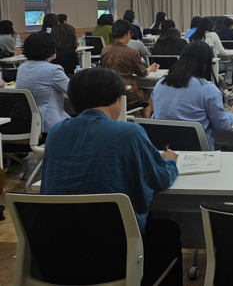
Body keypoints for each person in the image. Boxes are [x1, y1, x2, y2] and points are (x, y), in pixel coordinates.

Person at [40, 67, 182, 286]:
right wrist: (170, 161)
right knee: (169, 230)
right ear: (117, 99)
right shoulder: (129, 133)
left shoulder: (56, 133)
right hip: (115, 255)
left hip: (58, 253)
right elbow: (160, 178)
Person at [152, 41, 233, 150]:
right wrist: (231, 113)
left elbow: (156, 117)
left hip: (164, 151)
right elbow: (221, 126)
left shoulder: (160, 84)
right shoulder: (208, 89)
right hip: (199, 152)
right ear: (205, 64)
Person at [101, 19, 159, 117]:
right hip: (128, 91)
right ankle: (146, 122)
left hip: (109, 90)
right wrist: (150, 68)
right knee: (146, 96)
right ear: (128, 33)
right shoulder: (131, 52)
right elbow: (142, 73)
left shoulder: (105, 50)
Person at [15, 32, 70, 133]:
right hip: (50, 124)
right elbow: (74, 92)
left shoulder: (22, 67)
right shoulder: (53, 70)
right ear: (51, 49)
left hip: (26, 122)